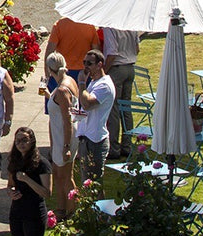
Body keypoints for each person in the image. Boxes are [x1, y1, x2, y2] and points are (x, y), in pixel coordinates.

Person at [5, 127, 50, 236]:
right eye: (18, 141)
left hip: (34, 213)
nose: (21, 144)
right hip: (17, 212)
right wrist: (11, 192)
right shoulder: (14, 161)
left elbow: (47, 193)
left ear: (32, 141)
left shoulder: (42, 164)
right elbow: (10, 185)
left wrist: (27, 179)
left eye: (24, 140)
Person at [74, 49, 115, 182]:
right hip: (86, 138)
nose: (85, 66)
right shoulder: (94, 82)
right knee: (86, 182)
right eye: (84, 62)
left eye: (89, 63)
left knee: (94, 184)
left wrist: (81, 83)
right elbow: (86, 109)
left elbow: (87, 104)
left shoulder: (105, 85)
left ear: (99, 65)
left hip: (96, 141)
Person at [44, 51, 77, 215]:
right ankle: (61, 208)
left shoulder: (63, 90)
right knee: (57, 174)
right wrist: (48, 95)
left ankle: (72, 211)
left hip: (64, 136)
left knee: (66, 176)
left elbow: (67, 119)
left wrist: (66, 146)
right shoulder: (68, 81)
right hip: (60, 136)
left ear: (50, 69)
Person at [102, 28, 140, 159]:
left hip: (117, 68)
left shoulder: (110, 27)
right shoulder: (130, 24)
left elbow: (112, 52)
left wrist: (103, 72)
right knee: (126, 108)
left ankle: (113, 148)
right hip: (130, 67)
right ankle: (127, 146)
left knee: (113, 109)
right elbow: (137, 49)